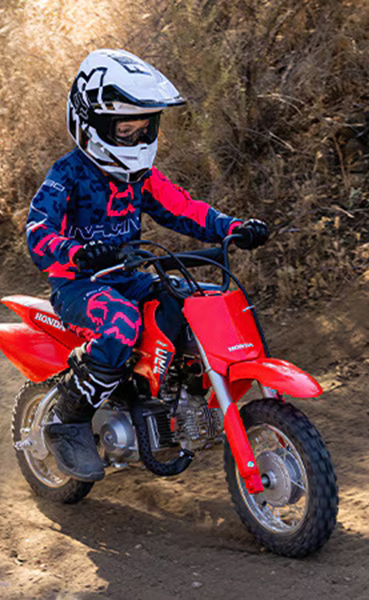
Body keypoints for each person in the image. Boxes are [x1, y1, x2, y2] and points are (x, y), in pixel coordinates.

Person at [26, 49, 269, 482]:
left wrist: (234, 229)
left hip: (129, 276)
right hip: (79, 285)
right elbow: (37, 233)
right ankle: (68, 419)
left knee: (191, 296)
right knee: (120, 322)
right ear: (92, 123)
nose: (137, 140)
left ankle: (162, 395)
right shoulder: (67, 175)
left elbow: (186, 210)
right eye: (125, 129)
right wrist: (76, 253)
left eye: (145, 128)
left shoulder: (142, 177)